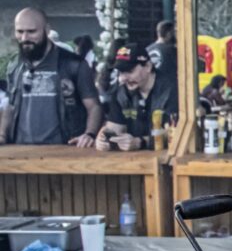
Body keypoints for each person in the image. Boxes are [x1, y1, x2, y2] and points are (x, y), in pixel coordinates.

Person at [0, 8, 102, 147]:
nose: (24, 38)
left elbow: (94, 106)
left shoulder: (74, 64)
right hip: (20, 150)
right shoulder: (15, 66)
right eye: (20, 31)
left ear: (47, 30)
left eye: (31, 31)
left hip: (62, 149)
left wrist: (89, 134)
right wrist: (2, 135)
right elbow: (10, 106)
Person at [95, 44, 178, 151]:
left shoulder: (172, 90)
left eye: (129, 71)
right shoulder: (121, 93)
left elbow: (177, 133)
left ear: (148, 66)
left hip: (168, 160)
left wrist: (141, 142)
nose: (123, 78)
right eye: (121, 72)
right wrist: (104, 139)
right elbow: (114, 129)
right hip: (134, 161)